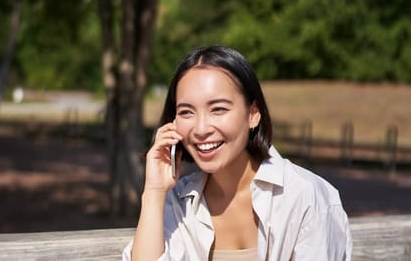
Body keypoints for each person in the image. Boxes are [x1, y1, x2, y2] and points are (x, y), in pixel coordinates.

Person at [123, 45, 352, 261]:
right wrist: (153, 191)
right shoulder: (177, 203)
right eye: (186, 112)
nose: (201, 129)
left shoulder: (305, 196)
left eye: (218, 109)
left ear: (253, 113)